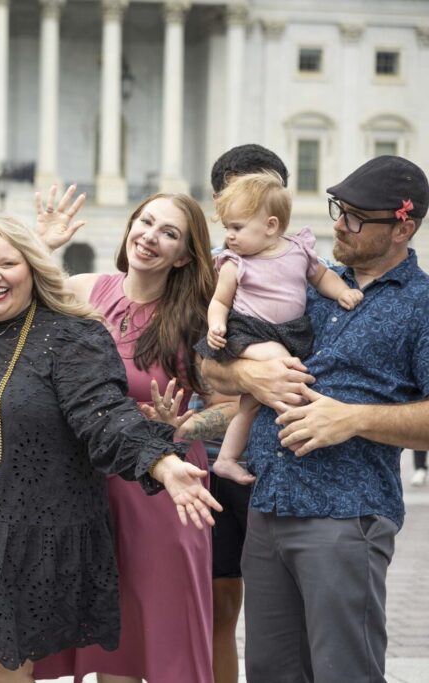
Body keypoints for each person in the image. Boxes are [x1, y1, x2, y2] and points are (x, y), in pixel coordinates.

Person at [0, 215, 220, 682]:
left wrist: (162, 463)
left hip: (27, 531)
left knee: (0, 668)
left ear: (32, 267)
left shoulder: (72, 336)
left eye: (8, 263)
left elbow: (103, 412)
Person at [201, 155, 429, 682]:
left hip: (345, 515)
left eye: (355, 217)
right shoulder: (298, 279)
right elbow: (206, 360)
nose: (337, 224)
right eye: (338, 210)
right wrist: (247, 376)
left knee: (343, 673)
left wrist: (351, 419)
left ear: (403, 227)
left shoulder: (421, 304)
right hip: (268, 506)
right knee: (271, 674)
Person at [35, 191, 233, 683]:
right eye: (146, 222)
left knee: (169, 634)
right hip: (95, 487)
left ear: (184, 255)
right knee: (113, 638)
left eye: (169, 233)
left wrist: (183, 426)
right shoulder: (85, 290)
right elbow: (12, 307)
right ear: (130, 225)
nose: (151, 237)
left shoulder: (193, 319)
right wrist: (44, 244)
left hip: (169, 492)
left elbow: (236, 404)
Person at [199, 171, 363, 485]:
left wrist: (342, 291)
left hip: (289, 332)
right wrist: (216, 325)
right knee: (285, 369)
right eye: (227, 228)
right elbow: (220, 302)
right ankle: (299, 429)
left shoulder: (298, 251)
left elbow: (321, 277)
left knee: (250, 404)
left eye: (237, 228)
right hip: (247, 332)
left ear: (271, 226)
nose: (229, 237)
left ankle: (226, 458)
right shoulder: (235, 262)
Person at [203, 143, 289, 683]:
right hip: (212, 465)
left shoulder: (307, 271)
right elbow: (201, 371)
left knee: (278, 612)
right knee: (215, 608)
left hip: (279, 468)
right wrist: (244, 379)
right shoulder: (216, 276)